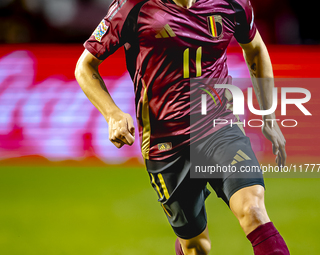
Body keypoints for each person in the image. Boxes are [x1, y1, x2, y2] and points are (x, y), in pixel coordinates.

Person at [75, 0, 290, 254]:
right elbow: (85, 66)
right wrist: (112, 114)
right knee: (197, 247)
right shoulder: (133, 6)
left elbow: (255, 49)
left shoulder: (233, 3)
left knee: (253, 210)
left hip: (219, 128)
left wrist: (269, 117)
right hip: (165, 141)